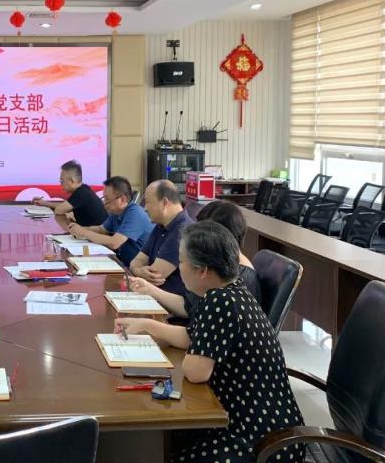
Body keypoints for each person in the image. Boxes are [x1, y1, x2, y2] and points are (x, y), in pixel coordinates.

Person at [116, 221, 304, 463]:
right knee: (160, 440)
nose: (179, 268)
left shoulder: (220, 301)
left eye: (181, 261)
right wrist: (147, 326)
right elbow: (194, 337)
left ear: (202, 270)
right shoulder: (231, 290)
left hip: (257, 438)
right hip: (260, 422)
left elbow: (196, 372)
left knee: (159, 447)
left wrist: (186, 353)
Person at [129, 200, 261, 322]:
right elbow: (190, 304)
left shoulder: (238, 277)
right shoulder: (221, 263)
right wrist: (149, 289)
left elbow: (195, 315)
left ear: (223, 236)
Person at [67, 176, 153, 265]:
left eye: (107, 198)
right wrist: (80, 229)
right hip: (123, 262)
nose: (104, 203)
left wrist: (83, 233)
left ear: (122, 199)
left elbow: (114, 243)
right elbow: (102, 229)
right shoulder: (116, 212)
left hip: (138, 268)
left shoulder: (135, 213)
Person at [129, 180, 193, 296]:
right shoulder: (160, 225)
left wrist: (137, 270)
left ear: (164, 203)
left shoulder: (183, 231)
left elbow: (155, 276)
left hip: (170, 302)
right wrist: (138, 270)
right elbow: (137, 260)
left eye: (148, 202)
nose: (145, 208)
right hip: (153, 296)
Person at [32, 160, 107, 226]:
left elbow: (59, 210)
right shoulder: (83, 189)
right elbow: (65, 206)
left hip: (97, 234)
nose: (60, 184)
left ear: (71, 180)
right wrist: (43, 203)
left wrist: (67, 212)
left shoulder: (81, 194)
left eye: (62, 180)